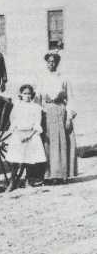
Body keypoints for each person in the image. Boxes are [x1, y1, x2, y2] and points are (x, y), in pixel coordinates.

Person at [36, 53, 77, 184]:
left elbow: (70, 98)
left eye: (53, 61)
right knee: (48, 144)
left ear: (57, 63)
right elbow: (37, 98)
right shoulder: (42, 78)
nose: (51, 64)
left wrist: (69, 117)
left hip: (60, 111)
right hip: (47, 112)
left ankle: (61, 175)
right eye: (48, 61)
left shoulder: (63, 78)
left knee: (61, 143)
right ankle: (48, 175)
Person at [5, 84, 47, 192]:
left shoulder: (36, 107)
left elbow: (37, 123)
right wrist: (19, 134)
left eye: (29, 94)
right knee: (15, 160)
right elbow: (13, 122)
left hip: (31, 135)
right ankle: (12, 182)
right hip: (19, 134)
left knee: (30, 159)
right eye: (25, 94)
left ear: (32, 95)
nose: (27, 96)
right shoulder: (17, 107)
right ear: (21, 95)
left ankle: (28, 180)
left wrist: (29, 135)